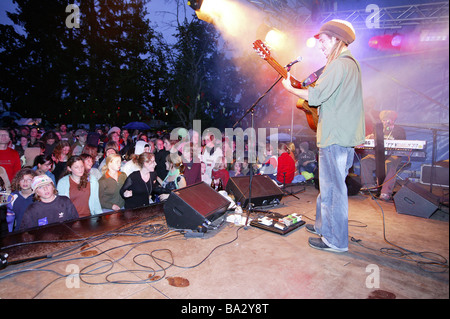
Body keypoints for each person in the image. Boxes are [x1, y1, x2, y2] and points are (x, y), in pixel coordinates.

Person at [282, 19, 364, 253]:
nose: (321, 46)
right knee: (328, 188)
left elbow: (316, 96)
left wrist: (289, 89)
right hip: (339, 136)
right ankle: (323, 226)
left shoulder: (339, 65)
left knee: (334, 191)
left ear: (337, 39)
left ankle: (335, 241)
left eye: (324, 41)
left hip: (335, 137)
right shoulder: (349, 64)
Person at [360, 110, 406, 201]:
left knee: (389, 163)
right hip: (379, 156)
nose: (385, 123)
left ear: (393, 120)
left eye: (388, 120)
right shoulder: (378, 129)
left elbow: (402, 145)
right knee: (365, 161)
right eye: (384, 120)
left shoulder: (399, 130)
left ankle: (386, 192)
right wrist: (370, 137)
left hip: (393, 155)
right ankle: (369, 185)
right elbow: (373, 141)